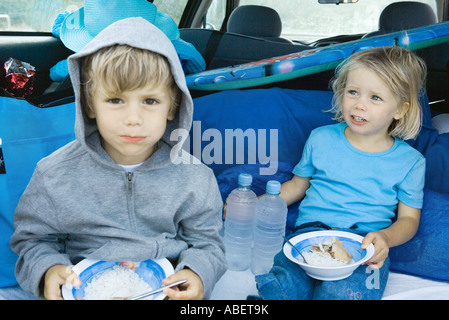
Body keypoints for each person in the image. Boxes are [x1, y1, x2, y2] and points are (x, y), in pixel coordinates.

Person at [9, 17, 226, 300]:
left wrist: (197, 273)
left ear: (172, 106)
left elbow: (208, 245)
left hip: (165, 289)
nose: (133, 119)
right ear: (89, 105)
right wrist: (48, 269)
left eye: (150, 101)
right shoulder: (53, 174)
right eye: (115, 100)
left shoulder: (196, 177)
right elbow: (31, 241)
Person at [254, 46, 427, 300]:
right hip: (309, 235)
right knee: (283, 282)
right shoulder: (320, 138)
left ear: (400, 109)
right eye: (353, 92)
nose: (359, 105)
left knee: (347, 293)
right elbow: (296, 186)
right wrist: (255, 206)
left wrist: (385, 239)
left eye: (375, 98)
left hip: (364, 246)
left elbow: (409, 221)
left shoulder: (411, 162)